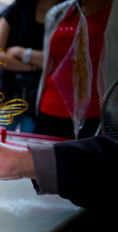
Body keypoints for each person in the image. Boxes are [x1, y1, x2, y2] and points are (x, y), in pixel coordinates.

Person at [34, 0, 114, 139]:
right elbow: (50, 60)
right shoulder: (58, 13)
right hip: (48, 108)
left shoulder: (113, 14)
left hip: (94, 115)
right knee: (41, 158)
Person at [0, 0, 59, 133]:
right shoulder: (17, 9)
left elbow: (58, 59)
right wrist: (32, 67)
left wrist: (20, 53)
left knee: (30, 148)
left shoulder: (65, 14)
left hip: (39, 102)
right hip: (6, 96)